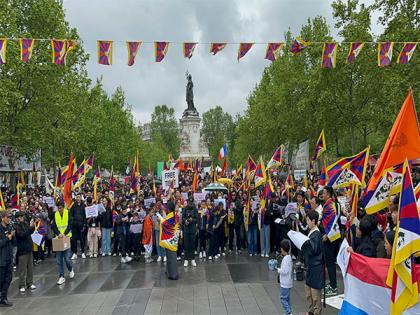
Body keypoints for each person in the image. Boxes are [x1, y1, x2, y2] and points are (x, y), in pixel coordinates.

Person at [301, 211, 323, 315]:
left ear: (313, 221)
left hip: (316, 266)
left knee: (315, 293)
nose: (307, 222)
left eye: (308, 220)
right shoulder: (312, 232)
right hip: (311, 265)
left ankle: (316, 312)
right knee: (308, 291)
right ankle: (311, 311)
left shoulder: (316, 234)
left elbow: (312, 249)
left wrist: (304, 244)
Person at [320, 186, 339, 296]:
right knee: (329, 262)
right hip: (329, 236)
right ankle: (332, 283)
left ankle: (333, 286)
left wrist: (327, 235)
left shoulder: (330, 206)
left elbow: (333, 221)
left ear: (329, 194)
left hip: (330, 238)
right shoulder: (327, 204)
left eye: (324, 193)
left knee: (330, 263)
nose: (322, 195)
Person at [51, 201, 75, 285]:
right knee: (59, 259)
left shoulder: (67, 213)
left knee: (67, 258)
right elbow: (53, 226)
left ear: (63, 207)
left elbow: (70, 224)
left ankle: (70, 269)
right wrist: (58, 234)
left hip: (66, 237)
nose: (59, 209)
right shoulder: (56, 214)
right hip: (59, 238)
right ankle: (61, 276)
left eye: (60, 208)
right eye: (58, 208)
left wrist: (64, 233)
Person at [14, 211, 36, 293]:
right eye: (20, 216)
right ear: (17, 218)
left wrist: (32, 227)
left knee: (30, 268)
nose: (22, 217)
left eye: (22, 216)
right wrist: (30, 228)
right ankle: (21, 285)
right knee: (22, 269)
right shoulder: (16, 226)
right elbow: (22, 235)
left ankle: (30, 283)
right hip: (22, 250)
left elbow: (30, 232)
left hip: (29, 248)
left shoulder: (25, 223)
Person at [0, 211, 15, 307]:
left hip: (9, 257)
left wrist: (12, 236)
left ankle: (3, 298)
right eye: (7, 217)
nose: (9, 219)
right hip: (1, 259)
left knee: (8, 278)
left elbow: (13, 242)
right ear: (2, 218)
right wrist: (8, 238)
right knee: (1, 280)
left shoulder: (9, 227)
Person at [278, 240, 293, 315]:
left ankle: (288, 312)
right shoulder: (289, 257)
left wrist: (278, 270)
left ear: (282, 249)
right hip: (288, 282)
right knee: (287, 299)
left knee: (283, 299)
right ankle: (289, 312)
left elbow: (285, 271)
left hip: (285, 283)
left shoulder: (286, 259)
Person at [70, 194, 87, 259]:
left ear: (81, 198)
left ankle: (83, 252)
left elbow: (85, 216)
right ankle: (74, 253)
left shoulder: (83, 206)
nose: (78, 198)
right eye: (77, 197)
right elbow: (71, 215)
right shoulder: (73, 206)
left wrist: (84, 224)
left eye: (79, 197)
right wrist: (73, 223)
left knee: (82, 240)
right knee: (74, 240)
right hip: (74, 226)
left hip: (81, 225)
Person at [183, 195, 198, 267]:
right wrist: (185, 220)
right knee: (186, 244)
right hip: (186, 229)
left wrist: (192, 220)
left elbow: (197, 219)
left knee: (192, 244)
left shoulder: (195, 209)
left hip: (192, 229)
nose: (190, 204)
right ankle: (186, 259)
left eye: (191, 202)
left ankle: (192, 259)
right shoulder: (185, 208)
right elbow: (182, 218)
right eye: (189, 202)